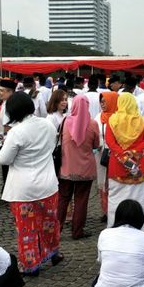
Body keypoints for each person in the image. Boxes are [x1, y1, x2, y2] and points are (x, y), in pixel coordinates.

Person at [0, 92, 63, 275]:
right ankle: (53, 252)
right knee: (49, 223)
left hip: (23, 188)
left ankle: (31, 264)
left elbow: (4, 159)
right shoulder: (48, 125)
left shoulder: (16, 132)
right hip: (48, 183)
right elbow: (52, 147)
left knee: (27, 229)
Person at [104, 93, 144, 228]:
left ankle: (113, 227)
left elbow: (110, 142)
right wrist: (134, 153)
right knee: (138, 199)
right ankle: (138, 228)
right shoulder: (142, 122)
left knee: (115, 198)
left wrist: (124, 157)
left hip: (117, 166)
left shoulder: (112, 121)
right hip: (138, 166)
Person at [57, 94, 100, 239]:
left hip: (66, 168)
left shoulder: (64, 121)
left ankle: (56, 229)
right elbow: (96, 145)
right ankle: (77, 231)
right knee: (81, 200)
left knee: (63, 199)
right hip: (85, 169)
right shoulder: (93, 124)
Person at [95, 91, 119, 223]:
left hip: (115, 154)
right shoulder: (98, 117)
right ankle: (105, 210)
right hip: (101, 154)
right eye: (101, 102)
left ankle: (115, 210)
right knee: (103, 183)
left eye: (105, 101)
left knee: (115, 182)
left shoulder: (119, 117)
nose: (103, 104)